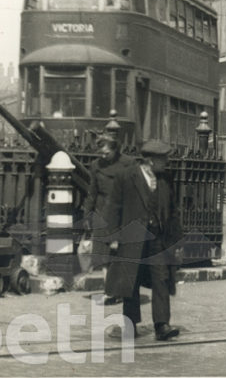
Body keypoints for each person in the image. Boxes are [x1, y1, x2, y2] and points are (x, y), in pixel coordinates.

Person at [102, 139, 183, 341]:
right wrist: (113, 237)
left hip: (158, 239)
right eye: (162, 158)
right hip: (132, 239)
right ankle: (130, 326)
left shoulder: (166, 178)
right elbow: (113, 208)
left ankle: (162, 325)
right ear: (149, 160)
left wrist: (176, 241)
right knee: (132, 281)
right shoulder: (126, 177)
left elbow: (173, 211)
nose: (166, 161)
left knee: (161, 279)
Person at [85, 134, 136, 272]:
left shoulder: (128, 163)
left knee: (120, 253)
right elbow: (92, 192)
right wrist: (88, 214)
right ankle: (107, 288)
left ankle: (117, 289)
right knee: (102, 255)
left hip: (121, 212)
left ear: (115, 149)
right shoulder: (96, 165)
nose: (103, 156)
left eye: (106, 153)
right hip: (101, 211)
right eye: (101, 153)